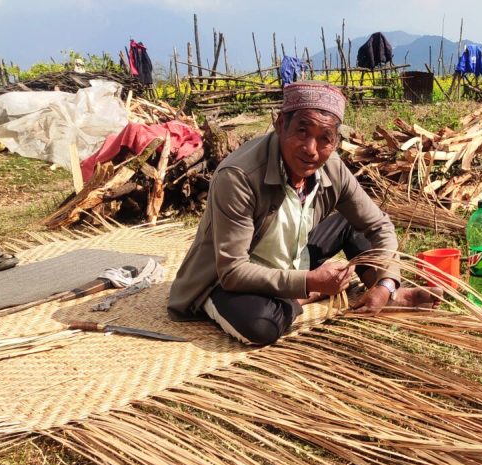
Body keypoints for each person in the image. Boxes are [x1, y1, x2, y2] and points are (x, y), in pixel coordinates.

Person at [168, 81, 439, 345]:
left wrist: (386, 284)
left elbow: (379, 226)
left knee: (354, 225)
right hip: (227, 279)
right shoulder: (239, 177)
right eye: (302, 132)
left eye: (325, 139)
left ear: (335, 142)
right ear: (280, 124)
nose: (311, 150)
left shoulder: (332, 167)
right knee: (262, 325)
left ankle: (387, 296)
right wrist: (309, 283)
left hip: (290, 257)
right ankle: (306, 295)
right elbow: (233, 271)